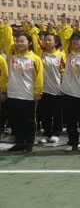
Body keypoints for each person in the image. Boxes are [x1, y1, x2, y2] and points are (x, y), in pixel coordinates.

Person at [0, 24, 43, 153]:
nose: (19, 43)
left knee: (28, 121)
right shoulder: (13, 54)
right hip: (13, 94)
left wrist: (37, 92)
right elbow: (8, 41)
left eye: (22, 41)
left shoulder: (35, 59)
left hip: (28, 95)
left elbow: (39, 77)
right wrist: (4, 26)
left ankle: (29, 143)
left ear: (29, 43)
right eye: (17, 41)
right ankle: (19, 142)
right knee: (15, 120)